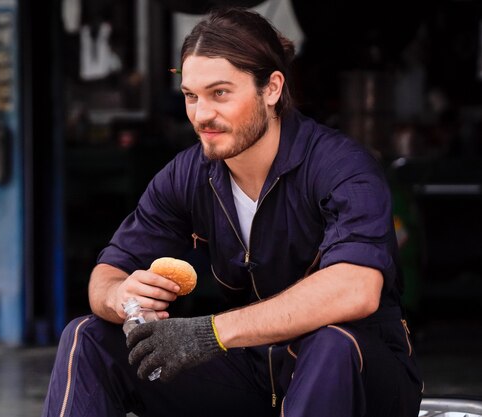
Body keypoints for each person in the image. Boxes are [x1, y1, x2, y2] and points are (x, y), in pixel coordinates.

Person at [41, 7, 423, 417]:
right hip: (256, 372)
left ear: (272, 88)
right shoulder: (187, 175)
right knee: (87, 335)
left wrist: (211, 332)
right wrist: (121, 296)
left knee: (331, 342)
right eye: (191, 96)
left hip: (362, 376)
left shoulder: (342, 167)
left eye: (220, 93)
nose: (202, 114)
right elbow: (107, 274)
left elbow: (356, 288)